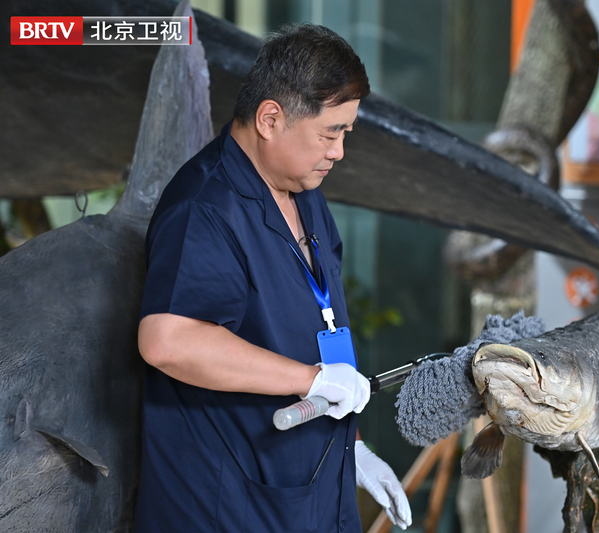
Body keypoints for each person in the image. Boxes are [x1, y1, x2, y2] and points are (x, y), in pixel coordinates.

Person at [133, 23, 411, 532]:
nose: (339, 151)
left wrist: (353, 447)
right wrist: (313, 381)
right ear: (270, 118)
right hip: (229, 505)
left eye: (346, 133)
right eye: (331, 132)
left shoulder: (307, 199)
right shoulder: (206, 207)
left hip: (310, 484)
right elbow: (168, 341)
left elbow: (321, 324)